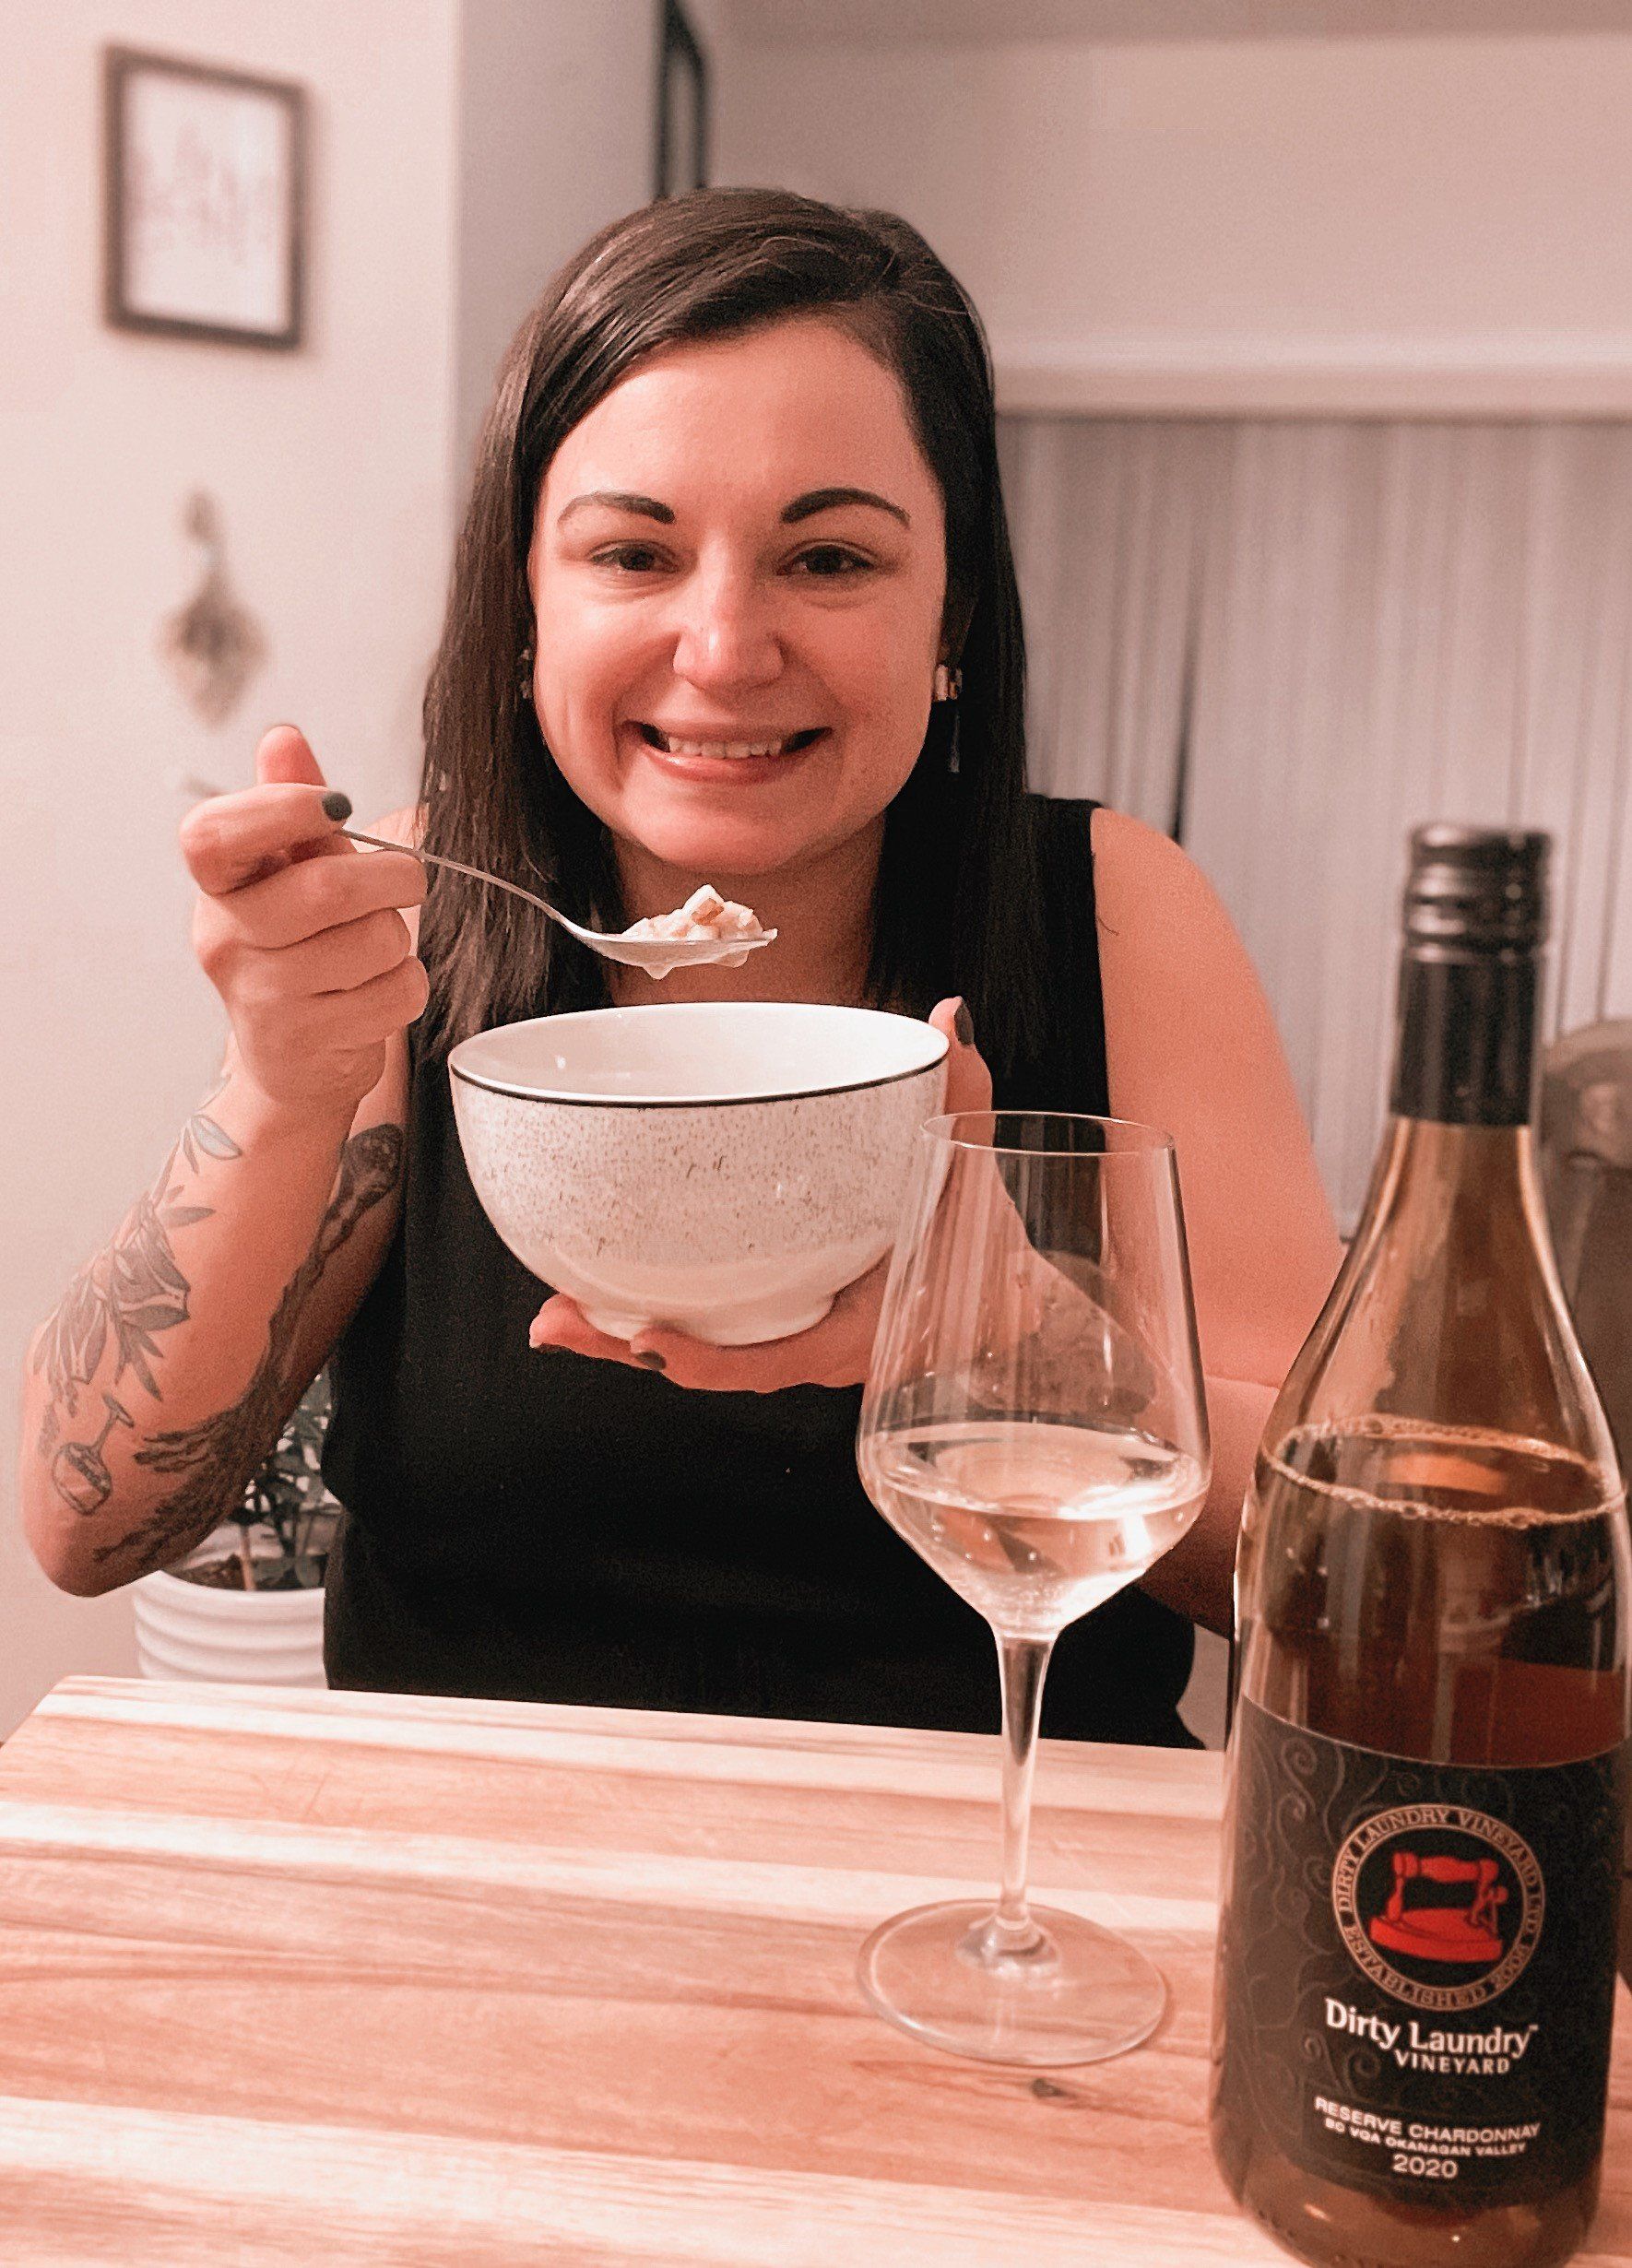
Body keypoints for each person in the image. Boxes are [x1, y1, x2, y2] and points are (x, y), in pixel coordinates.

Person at [20, 190, 1341, 1744]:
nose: (722, 648)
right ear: (528, 603)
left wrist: (988, 1328)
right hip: (495, 1887)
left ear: (951, 613)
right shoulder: (402, 921)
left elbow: (1348, 1555)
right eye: (634, 554)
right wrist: (277, 1082)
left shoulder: (1109, 911)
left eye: (829, 559)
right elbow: (84, 1529)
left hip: (1002, 1899)